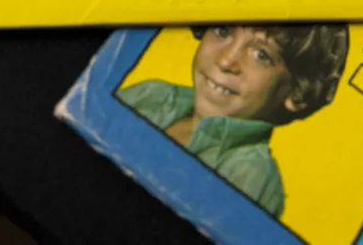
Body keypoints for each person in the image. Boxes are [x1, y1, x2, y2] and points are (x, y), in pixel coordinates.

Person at [118, 24, 348, 219]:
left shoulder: (252, 176)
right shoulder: (154, 95)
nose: (226, 61)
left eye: (261, 55)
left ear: (296, 94)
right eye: (222, 32)